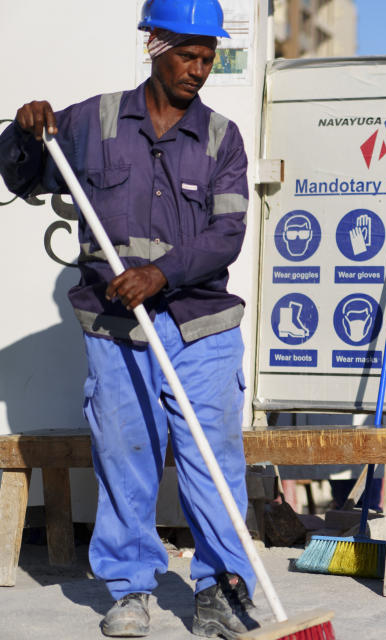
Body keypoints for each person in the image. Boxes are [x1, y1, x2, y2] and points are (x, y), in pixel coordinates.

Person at [0, 1, 259, 636]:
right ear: (152, 45)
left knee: (211, 457)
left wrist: (162, 272)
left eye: (208, 56)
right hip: (116, 329)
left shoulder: (223, 138)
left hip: (202, 327)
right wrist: (23, 132)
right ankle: (130, 588)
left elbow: (228, 233)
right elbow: (23, 174)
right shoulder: (93, 121)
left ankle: (222, 588)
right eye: (187, 54)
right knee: (126, 454)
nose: (199, 68)